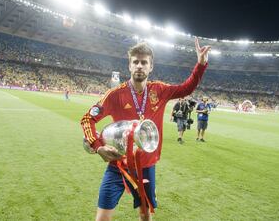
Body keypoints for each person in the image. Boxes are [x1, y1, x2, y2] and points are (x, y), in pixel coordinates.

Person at [80, 38, 210, 221]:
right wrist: (98, 146)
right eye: (136, 62)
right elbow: (87, 119)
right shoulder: (115, 95)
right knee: (101, 218)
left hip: (146, 166)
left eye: (144, 62)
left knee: (145, 214)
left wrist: (201, 64)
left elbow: (186, 88)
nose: (139, 66)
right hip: (118, 166)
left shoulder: (160, 90)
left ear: (151, 67)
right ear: (129, 66)